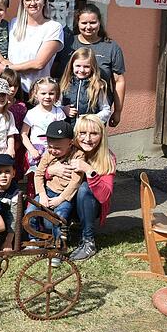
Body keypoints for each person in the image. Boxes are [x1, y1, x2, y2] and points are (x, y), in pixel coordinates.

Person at [48, 114, 115, 261]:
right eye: (82, 133)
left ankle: (88, 242)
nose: (87, 139)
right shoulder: (66, 150)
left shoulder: (107, 158)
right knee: (47, 224)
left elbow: (105, 196)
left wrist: (89, 170)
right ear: (75, 135)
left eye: (94, 134)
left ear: (102, 136)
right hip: (65, 202)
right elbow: (41, 170)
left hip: (90, 206)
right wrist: (50, 171)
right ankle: (65, 231)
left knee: (84, 188)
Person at [0, 0, 63, 95]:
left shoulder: (53, 27)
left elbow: (39, 64)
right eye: (28, 0)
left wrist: (6, 68)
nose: (32, 3)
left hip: (37, 93)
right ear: (23, 3)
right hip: (11, 90)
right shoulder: (13, 24)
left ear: (44, 1)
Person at [26, 120, 85, 250]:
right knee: (30, 212)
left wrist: (61, 198)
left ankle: (59, 246)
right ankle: (34, 240)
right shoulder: (48, 154)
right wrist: (42, 195)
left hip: (64, 196)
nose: (53, 150)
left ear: (70, 143)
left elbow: (76, 181)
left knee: (60, 217)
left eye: (57, 148)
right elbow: (39, 174)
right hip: (47, 192)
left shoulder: (78, 155)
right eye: (50, 146)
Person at [70, 4, 126, 127]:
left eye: (93, 22)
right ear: (77, 23)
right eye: (84, 23)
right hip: (68, 114)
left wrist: (117, 111)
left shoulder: (111, 47)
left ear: (99, 22)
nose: (88, 27)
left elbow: (118, 81)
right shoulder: (69, 43)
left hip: (97, 114)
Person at [22, 77, 65, 175]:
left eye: (51, 93)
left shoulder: (58, 113)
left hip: (53, 152)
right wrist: (32, 150)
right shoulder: (32, 113)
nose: (47, 97)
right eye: (43, 93)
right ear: (36, 94)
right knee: (34, 178)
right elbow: (23, 134)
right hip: (36, 152)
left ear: (56, 95)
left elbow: (62, 134)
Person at [60, 47, 111, 127]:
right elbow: (55, 106)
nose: (82, 70)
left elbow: (106, 110)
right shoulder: (64, 84)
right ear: (72, 65)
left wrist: (92, 119)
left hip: (88, 130)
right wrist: (63, 109)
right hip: (68, 130)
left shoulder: (97, 86)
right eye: (78, 66)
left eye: (86, 67)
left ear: (92, 67)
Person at [0, 154, 20, 251]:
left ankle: (7, 240)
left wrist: (8, 242)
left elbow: (14, 218)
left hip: (10, 225)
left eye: (7, 172)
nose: (3, 176)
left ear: (13, 173)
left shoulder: (16, 193)